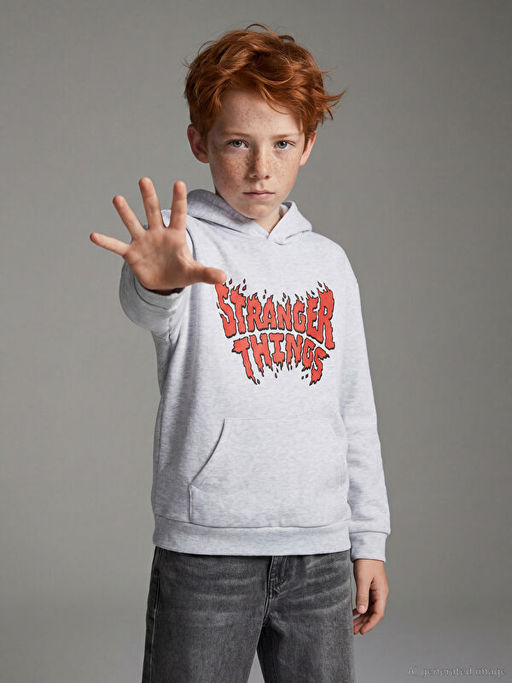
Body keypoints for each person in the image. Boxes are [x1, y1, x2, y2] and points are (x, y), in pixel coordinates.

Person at [90, 22, 391, 683]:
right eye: (237, 143)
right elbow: (148, 308)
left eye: (281, 143)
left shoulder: (329, 263)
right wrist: (157, 282)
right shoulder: (184, 244)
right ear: (199, 142)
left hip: (319, 551)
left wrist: (368, 539)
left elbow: (354, 408)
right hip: (208, 552)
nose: (261, 166)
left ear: (307, 145)